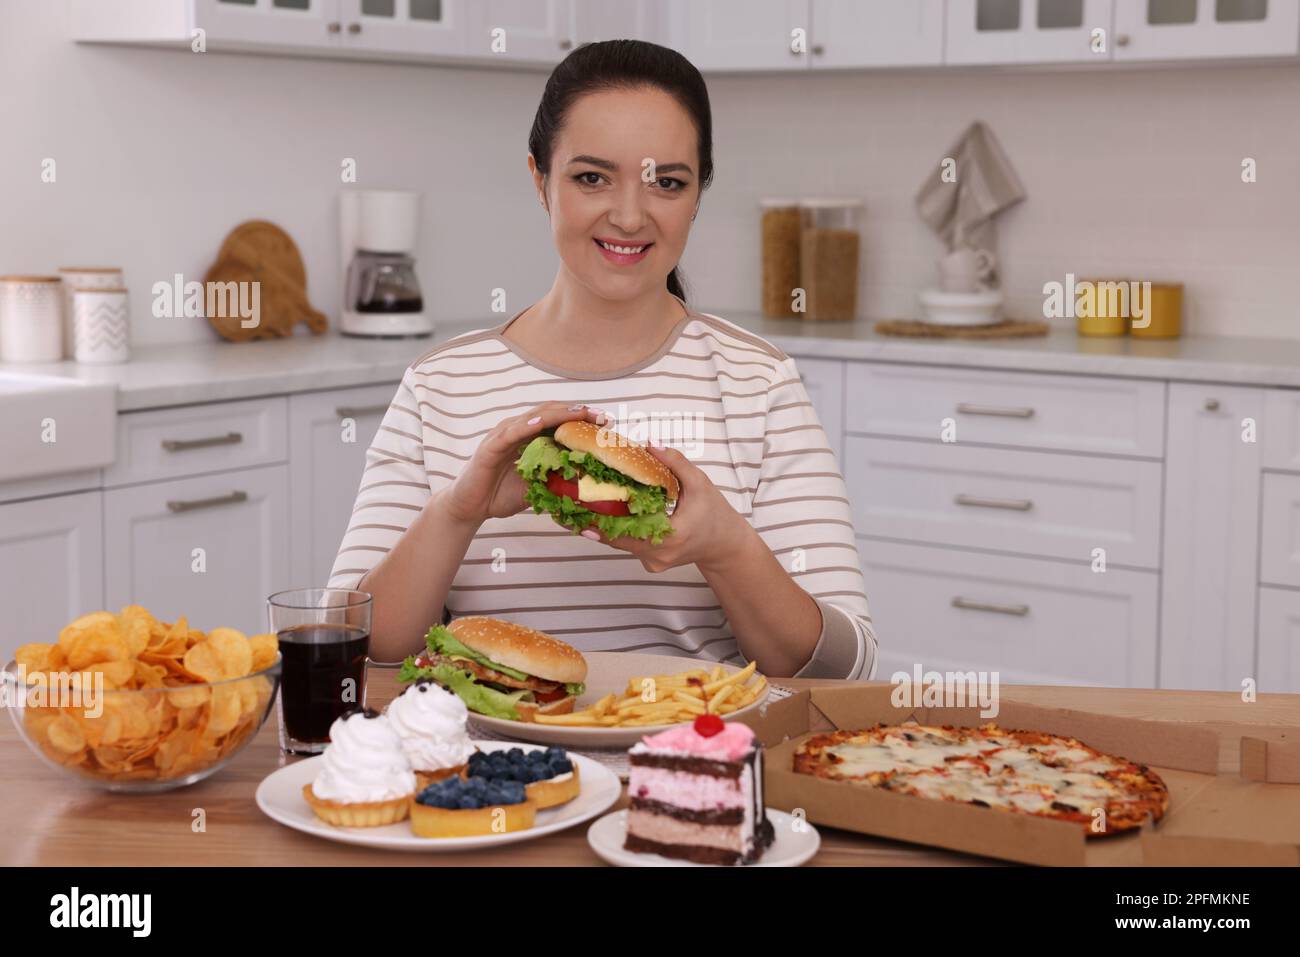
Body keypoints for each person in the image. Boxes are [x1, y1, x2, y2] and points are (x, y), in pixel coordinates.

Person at [328, 39, 877, 679]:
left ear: (698, 194)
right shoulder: (442, 384)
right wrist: (458, 512)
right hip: (496, 766)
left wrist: (726, 547)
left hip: (695, 753)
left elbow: (846, 665)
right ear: (540, 180)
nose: (628, 215)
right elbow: (353, 647)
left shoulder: (757, 382)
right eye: (592, 177)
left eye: (667, 183)